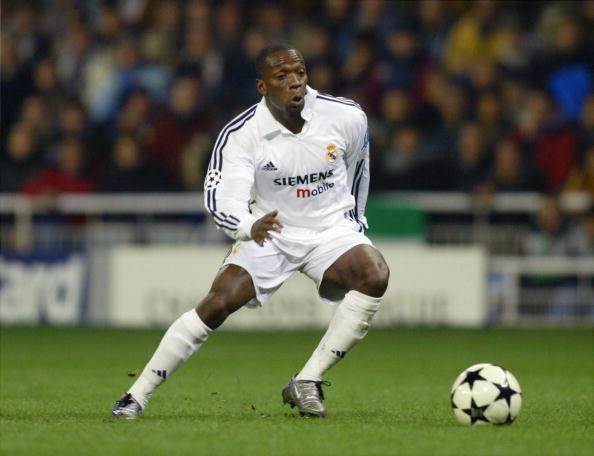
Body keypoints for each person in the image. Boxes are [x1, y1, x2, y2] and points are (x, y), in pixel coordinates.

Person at [112, 44, 390, 419]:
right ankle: (136, 395)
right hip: (268, 231)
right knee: (219, 302)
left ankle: (307, 380)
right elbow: (220, 200)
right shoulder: (242, 134)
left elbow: (359, 170)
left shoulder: (346, 116)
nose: (296, 84)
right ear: (263, 87)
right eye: (283, 77)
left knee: (374, 274)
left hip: (329, 229)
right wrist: (247, 226)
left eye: (300, 73)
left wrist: (355, 221)